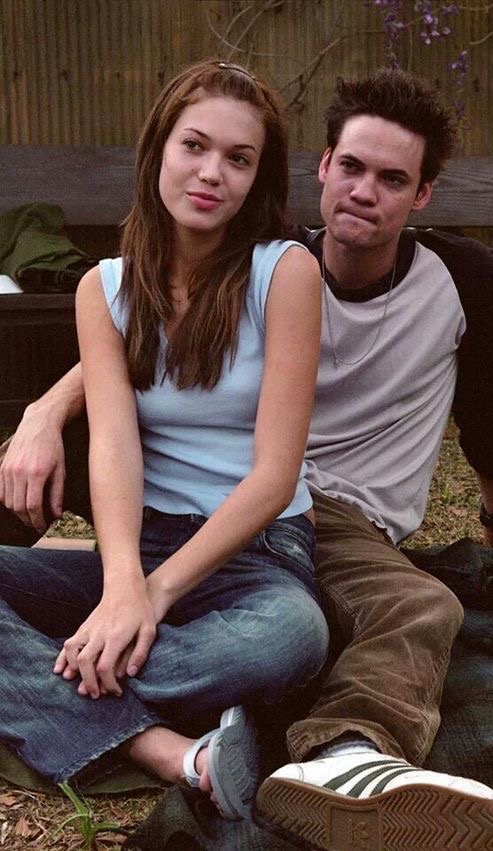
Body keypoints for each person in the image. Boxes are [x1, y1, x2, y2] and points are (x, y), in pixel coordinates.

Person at [0, 69, 493, 849]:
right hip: (164, 524)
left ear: (423, 193)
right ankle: (165, 745)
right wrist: (48, 420)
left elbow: (480, 410)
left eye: (393, 178)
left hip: (276, 528)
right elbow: (127, 394)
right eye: (351, 166)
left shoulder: (313, 271)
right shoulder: (145, 278)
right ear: (323, 166)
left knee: (313, 629)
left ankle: (345, 753)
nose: (364, 191)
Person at [0, 58, 329, 820]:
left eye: (238, 158)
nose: (212, 172)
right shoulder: (104, 288)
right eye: (195, 145)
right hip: (138, 544)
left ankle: (60, 685)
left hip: (255, 555)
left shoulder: (286, 273)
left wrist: (152, 595)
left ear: (258, 178)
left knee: (294, 637)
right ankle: (170, 750)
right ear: (159, 150)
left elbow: (275, 477)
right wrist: (123, 584)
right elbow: (114, 445)